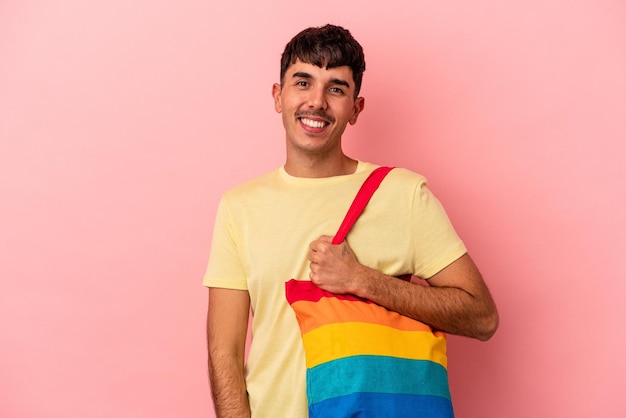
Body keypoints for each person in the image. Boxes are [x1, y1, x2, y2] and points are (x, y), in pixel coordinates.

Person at [204, 24, 498, 418]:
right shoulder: (239, 207)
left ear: (356, 108)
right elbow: (224, 351)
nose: (317, 102)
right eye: (303, 82)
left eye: (336, 88)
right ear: (278, 96)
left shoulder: (403, 194)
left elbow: (482, 317)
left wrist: (362, 280)